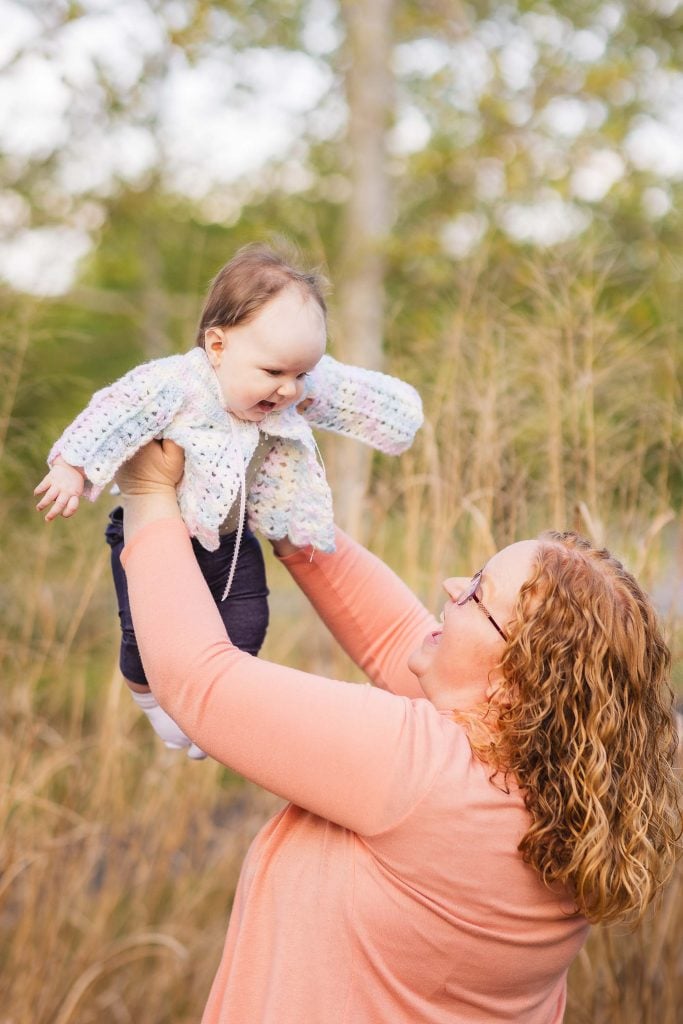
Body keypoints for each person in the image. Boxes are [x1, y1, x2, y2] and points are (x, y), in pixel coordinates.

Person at [115, 438, 680, 1024]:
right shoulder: (558, 788)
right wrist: (289, 518)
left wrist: (147, 492)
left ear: (519, 675)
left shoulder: (418, 771)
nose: (452, 585)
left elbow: (196, 677)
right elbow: (395, 640)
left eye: (477, 592)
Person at [34, 244, 423, 757]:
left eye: (302, 374)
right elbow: (114, 413)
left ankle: (217, 712)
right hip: (156, 534)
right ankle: (150, 698)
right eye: (274, 373)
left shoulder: (291, 381)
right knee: (143, 636)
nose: (289, 390)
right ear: (217, 345)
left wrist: (402, 416)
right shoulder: (177, 382)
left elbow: (361, 397)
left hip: (231, 537)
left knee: (247, 622)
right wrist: (71, 466)